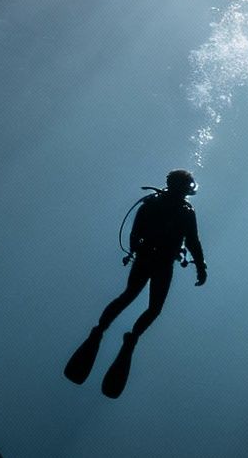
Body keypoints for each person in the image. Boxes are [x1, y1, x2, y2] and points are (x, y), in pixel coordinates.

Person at [65, 169, 207, 398]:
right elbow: (192, 241)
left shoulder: (159, 205)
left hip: (149, 258)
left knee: (131, 297)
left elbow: (138, 232)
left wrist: (136, 251)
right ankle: (126, 338)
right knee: (148, 305)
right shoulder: (183, 211)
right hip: (159, 262)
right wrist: (201, 266)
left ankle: (103, 332)